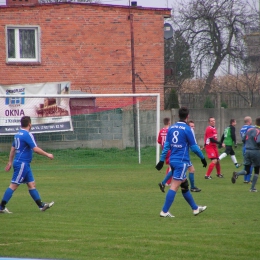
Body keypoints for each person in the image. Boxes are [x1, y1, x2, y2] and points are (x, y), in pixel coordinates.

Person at [155, 107, 207, 218]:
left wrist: (161, 160)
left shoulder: (172, 128)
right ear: (187, 116)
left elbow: (166, 147)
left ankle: (195, 208)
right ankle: (164, 211)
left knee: (184, 185)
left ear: (178, 116)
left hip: (172, 160)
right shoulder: (188, 129)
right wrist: (202, 158)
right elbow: (194, 147)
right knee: (174, 186)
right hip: (181, 162)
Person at [0, 116, 54, 213]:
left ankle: (41, 206)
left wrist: (10, 162)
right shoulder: (27, 135)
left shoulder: (17, 135)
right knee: (14, 185)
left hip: (24, 164)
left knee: (31, 184)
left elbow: (13, 149)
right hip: (22, 164)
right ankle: (1, 207)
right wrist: (47, 154)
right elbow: (35, 149)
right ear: (29, 124)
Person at [158, 120, 201, 193]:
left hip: (178, 155)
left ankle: (163, 183)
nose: (192, 127)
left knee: (174, 170)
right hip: (182, 157)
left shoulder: (182, 131)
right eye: (191, 126)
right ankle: (192, 187)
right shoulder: (186, 132)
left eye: (193, 126)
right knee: (191, 170)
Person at [232, 117, 260, 192]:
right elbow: (258, 141)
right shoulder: (259, 131)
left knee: (247, 169)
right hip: (255, 151)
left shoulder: (250, 130)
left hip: (247, 150)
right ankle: (252, 188)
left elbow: (244, 139)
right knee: (257, 170)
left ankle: (237, 174)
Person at [157, 117, 172, 187]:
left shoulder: (161, 131)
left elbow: (159, 142)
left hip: (164, 150)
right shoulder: (171, 131)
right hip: (170, 150)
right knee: (171, 167)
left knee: (170, 166)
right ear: (169, 122)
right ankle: (167, 182)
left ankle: (168, 181)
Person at [240, 116, 254, 183]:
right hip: (249, 147)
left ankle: (245, 179)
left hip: (244, 147)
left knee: (246, 164)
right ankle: (248, 179)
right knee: (251, 164)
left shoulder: (242, 128)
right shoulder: (250, 127)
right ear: (249, 121)